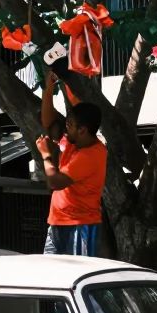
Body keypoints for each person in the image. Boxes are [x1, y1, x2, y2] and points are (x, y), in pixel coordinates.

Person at [36, 90, 106, 258]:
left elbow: (55, 182)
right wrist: (49, 85)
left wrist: (45, 155)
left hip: (80, 225)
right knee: (51, 275)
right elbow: (49, 121)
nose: (65, 128)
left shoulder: (91, 154)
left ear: (82, 130)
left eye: (69, 125)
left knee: (77, 275)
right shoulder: (73, 143)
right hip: (57, 222)